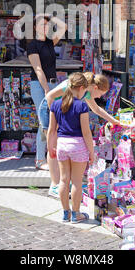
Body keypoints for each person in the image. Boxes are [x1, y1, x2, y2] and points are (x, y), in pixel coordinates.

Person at [39, 71, 127, 197]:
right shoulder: (74, 86)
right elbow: (50, 97)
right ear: (95, 87)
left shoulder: (86, 91)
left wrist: (114, 121)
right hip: (49, 110)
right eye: (100, 94)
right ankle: (54, 184)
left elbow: (96, 109)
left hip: (60, 112)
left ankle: (62, 182)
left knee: (60, 146)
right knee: (53, 145)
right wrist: (57, 116)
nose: (98, 98)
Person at [47, 72, 94, 223]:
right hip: (78, 146)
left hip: (62, 144)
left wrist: (50, 147)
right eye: (85, 90)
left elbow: (51, 130)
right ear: (81, 88)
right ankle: (76, 214)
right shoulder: (82, 106)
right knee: (77, 182)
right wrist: (91, 152)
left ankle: (65, 213)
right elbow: (86, 133)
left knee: (63, 180)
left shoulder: (55, 104)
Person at [26, 13, 66, 173]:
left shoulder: (50, 42)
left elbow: (63, 27)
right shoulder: (32, 45)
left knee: (52, 121)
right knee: (44, 121)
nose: (46, 27)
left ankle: (50, 156)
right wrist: (46, 89)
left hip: (52, 84)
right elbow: (37, 69)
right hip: (39, 85)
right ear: (35, 27)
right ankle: (39, 159)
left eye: (47, 25)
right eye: (42, 25)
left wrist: (49, 16)